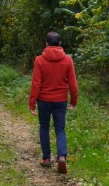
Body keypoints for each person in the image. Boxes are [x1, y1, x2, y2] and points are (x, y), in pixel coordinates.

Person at [29, 31, 78, 174]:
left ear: (46, 44)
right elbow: (73, 84)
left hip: (43, 100)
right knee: (60, 128)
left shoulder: (39, 60)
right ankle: (62, 156)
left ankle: (46, 159)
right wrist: (73, 100)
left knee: (44, 127)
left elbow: (36, 83)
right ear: (60, 44)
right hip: (61, 100)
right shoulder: (68, 60)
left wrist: (32, 102)